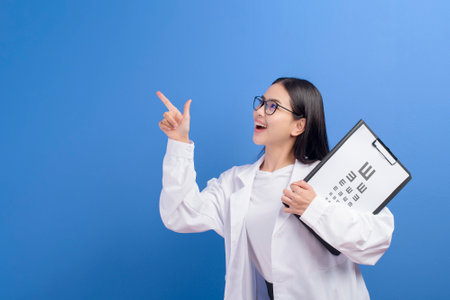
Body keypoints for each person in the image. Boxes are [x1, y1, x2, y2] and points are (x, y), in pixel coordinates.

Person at [157, 77, 394, 300]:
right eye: (261, 102)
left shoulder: (329, 175)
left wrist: (315, 209)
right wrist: (179, 142)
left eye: (272, 106)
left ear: (299, 125)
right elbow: (179, 215)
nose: (259, 111)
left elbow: (376, 240)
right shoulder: (235, 183)